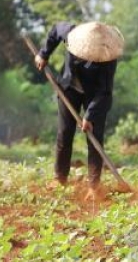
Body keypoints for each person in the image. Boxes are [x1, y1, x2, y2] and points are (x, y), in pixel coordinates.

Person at [35, 21, 124, 189]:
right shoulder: (71, 32)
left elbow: (104, 92)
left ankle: (93, 186)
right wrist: (44, 54)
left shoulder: (108, 58)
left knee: (95, 137)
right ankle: (59, 178)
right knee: (65, 133)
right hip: (69, 87)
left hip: (95, 95)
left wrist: (90, 116)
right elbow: (55, 31)